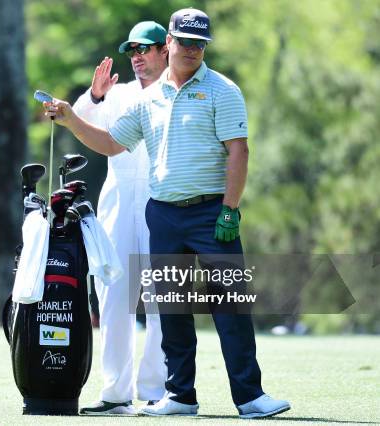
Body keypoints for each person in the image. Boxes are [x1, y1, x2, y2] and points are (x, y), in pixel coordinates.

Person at [44, 8, 291, 419]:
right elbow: (110, 144)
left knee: (230, 306)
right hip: (163, 215)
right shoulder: (148, 99)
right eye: (186, 41)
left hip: (212, 214)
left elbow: (239, 151)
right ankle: (180, 396)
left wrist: (230, 209)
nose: (193, 49)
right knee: (172, 311)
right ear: (172, 42)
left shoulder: (222, 89)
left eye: (200, 43)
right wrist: (71, 119)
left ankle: (250, 397)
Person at [72, 21, 168, 416]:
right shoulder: (120, 93)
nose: (138, 58)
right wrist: (94, 95)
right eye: (132, 52)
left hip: (161, 197)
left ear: (166, 50)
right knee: (113, 295)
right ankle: (115, 392)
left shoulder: (176, 90)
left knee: (164, 298)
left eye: (145, 49)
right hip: (118, 197)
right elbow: (81, 120)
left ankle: (159, 390)